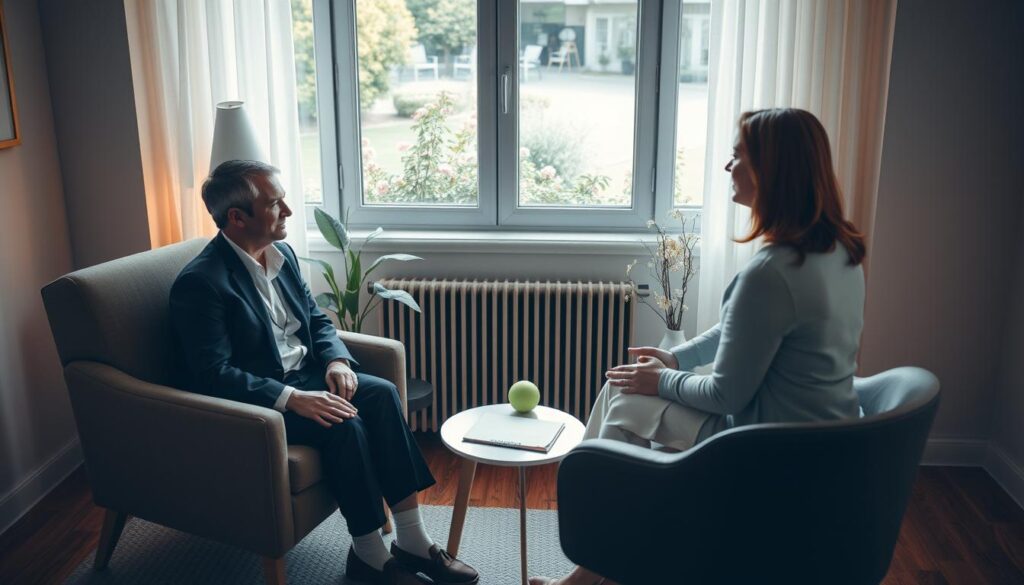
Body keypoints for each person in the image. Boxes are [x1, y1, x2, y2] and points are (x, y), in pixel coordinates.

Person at [530, 108, 867, 585]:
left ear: (773, 169)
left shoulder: (770, 274)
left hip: (766, 452)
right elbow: (739, 329)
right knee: (625, 391)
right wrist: (674, 359)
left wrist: (662, 378)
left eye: (738, 157)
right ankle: (598, 568)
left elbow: (727, 397)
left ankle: (597, 561)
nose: (729, 168)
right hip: (822, 442)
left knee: (624, 395)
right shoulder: (838, 251)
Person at [169, 160, 479, 585]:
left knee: (384, 393)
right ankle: (368, 556)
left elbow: (315, 319)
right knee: (344, 426)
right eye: (275, 204)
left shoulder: (283, 255)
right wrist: (292, 398)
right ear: (237, 218)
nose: (289, 212)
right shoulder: (202, 282)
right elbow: (212, 374)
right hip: (263, 400)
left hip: (309, 374)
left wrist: (336, 360)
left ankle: (412, 541)